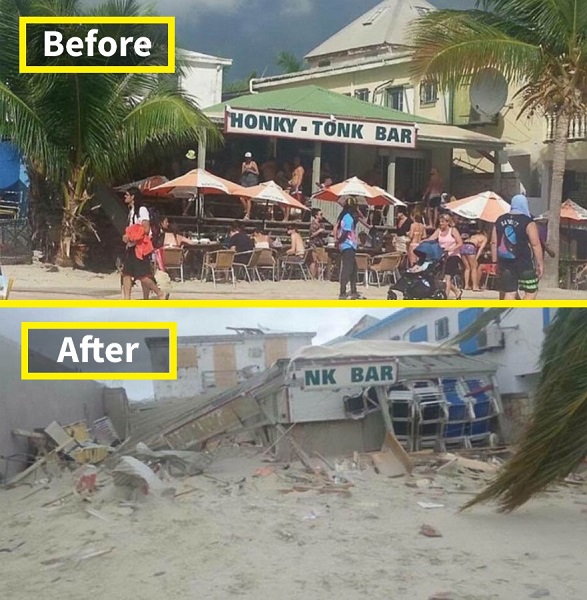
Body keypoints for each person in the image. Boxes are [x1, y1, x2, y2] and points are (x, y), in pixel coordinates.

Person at [492, 194, 544, 300]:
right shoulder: (527, 221)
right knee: (531, 291)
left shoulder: (499, 220)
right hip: (524, 262)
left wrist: (495, 262)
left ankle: (507, 315)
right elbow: (535, 244)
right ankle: (521, 311)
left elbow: (493, 242)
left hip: (505, 261)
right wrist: (540, 263)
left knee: (510, 292)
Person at [121, 187, 166, 300]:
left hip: (140, 247)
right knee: (126, 273)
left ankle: (159, 293)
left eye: (127, 195)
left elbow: (145, 229)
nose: (125, 197)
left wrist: (131, 236)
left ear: (133, 197)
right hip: (132, 247)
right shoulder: (132, 211)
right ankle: (127, 299)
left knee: (143, 276)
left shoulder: (142, 210)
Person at [424, 213, 464, 299]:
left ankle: (445, 297)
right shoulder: (439, 230)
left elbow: (460, 243)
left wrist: (451, 249)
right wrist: (422, 242)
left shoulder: (453, 230)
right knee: (438, 277)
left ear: (447, 222)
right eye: (440, 222)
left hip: (453, 255)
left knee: (447, 277)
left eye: (443, 222)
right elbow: (431, 239)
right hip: (442, 255)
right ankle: (457, 291)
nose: (441, 224)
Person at [336, 196, 369, 300]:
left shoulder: (346, 216)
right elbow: (345, 232)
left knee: (354, 269)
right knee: (347, 269)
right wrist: (339, 241)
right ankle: (342, 292)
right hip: (347, 245)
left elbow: (356, 221)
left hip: (349, 245)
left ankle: (353, 290)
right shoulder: (348, 217)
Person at [461, 223, 489, 292]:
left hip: (464, 245)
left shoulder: (473, 236)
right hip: (471, 246)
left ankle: (466, 285)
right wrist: (476, 257)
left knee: (467, 268)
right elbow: (480, 249)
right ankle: (475, 286)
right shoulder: (484, 238)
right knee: (474, 267)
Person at [239, 152, 259, 220]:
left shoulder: (253, 163)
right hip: (245, 181)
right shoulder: (243, 164)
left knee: (248, 198)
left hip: (252, 181)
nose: (248, 159)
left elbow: (257, 173)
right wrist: (245, 170)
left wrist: (250, 170)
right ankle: (246, 210)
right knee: (241, 197)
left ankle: (247, 214)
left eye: (249, 158)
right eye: (247, 158)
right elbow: (242, 173)